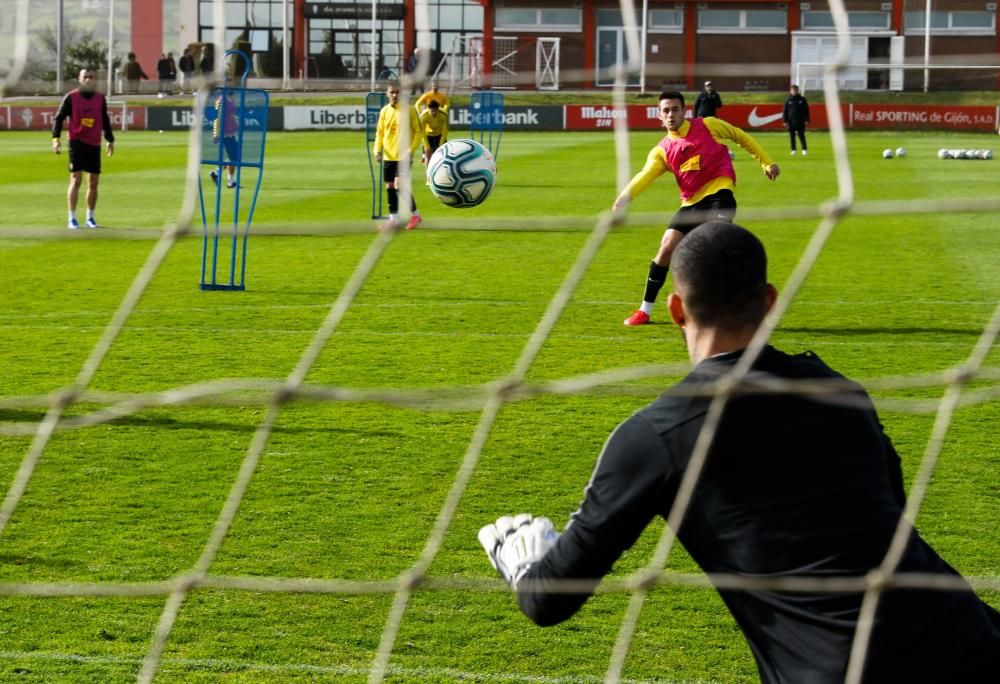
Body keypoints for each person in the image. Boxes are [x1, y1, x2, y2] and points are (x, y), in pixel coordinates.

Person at [479, 221, 1000, 684]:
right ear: (770, 299)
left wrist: (524, 566)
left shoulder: (659, 434)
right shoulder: (840, 390)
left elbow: (550, 600)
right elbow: (889, 502)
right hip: (971, 636)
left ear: (677, 308)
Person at [613, 90, 779, 327]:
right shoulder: (661, 150)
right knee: (666, 248)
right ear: (659, 116)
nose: (671, 114)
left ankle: (743, 305)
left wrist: (766, 162)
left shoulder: (708, 125)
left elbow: (740, 136)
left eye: (675, 109)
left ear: (685, 110)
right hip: (691, 204)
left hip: (720, 197)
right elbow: (646, 174)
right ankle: (644, 311)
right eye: (666, 111)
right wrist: (624, 198)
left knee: (717, 248)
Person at [51, 68, 115, 229]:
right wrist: (55, 139)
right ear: (79, 79)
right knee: (76, 179)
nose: (88, 79)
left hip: (94, 143)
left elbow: (105, 119)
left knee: (93, 181)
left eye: (91, 77)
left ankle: (90, 218)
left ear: (95, 79)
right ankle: (72, 218)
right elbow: (59, 119)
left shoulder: (100, 98)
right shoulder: (71, 97)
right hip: (76, 142)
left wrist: (110, 139)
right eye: (84, 77)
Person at [373, 82, 427, 230]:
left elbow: (418, 131)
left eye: (397, 92)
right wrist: (377, 150)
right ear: (387, 94)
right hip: (389, 156)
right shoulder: (384, 111)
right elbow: (380, 133)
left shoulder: (410, 110)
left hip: (404, 156)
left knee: (399, 185)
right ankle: (393, 219)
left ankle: (415, 215)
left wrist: (411, 149)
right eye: (392, 92)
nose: (395, 95)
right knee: (390, 186)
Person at [210, 89, 240, 189]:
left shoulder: (230, 99)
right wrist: (216, 134)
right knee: (234, 158)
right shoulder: (222, 100)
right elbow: (218, 118)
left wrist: (235, 123)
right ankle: (217, 173)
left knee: (234, 158)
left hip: (231, 133)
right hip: (225, 134)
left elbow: (232, 115)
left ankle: (230, 181)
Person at [419, 100, 449, 181]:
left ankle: (443, 174)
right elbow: (422, 132)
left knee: (444, 154)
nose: (434, 113)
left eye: (436, 111)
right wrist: (427, 146)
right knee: (428, 153)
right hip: (428, 135)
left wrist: (441, 144)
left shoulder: (443, 115)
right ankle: (428, 176)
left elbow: (445, 131)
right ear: (429, 109)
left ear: (438, 109)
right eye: (432, 111)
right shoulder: (423, 116)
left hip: (439, 135)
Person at [783, 84, 810, 156]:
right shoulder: (788, 100)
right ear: (790, 91)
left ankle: (804, 150)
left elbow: (806, 110)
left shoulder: (802, 99)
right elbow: (785, 111)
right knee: (792, 137)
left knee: (801, 136)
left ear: (798, 91)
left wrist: (806, 120)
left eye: (795, 90)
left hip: (800, 121)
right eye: (793, 90)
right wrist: (785, 121)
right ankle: (793, 150)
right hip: (791, 122)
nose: (794, 91)